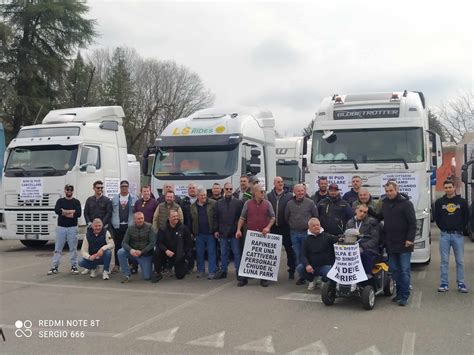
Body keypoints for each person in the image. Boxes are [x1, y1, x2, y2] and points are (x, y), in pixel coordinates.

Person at [381, 180, 416, 306]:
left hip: (405, 244)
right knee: (394, 271)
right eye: (387, 191)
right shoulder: (384, 204)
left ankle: (405, 296)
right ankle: (399, 294)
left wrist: (410, 239)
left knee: (404, 271)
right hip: (391, 244)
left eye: (391, 190)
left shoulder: (406, 204)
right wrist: (365, 211)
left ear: (397, 190)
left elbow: (413, 224)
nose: (389, 193)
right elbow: (379, 216)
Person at [236, 184, 275, 287]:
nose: (263, 193)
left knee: (264, 257)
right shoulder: (247, 204)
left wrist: (268, 227)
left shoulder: (268, 204)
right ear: (255, 193)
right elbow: (242, 218)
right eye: (261, 191)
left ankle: (264, 279)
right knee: (247, 256)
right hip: (250, 234)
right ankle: (244, 278)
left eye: (264, 191)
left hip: (263, 234)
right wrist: (238, 230)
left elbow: (272, 217)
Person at [434, 180, 470, 293]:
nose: (448, 189)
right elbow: (437, 218)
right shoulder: (439, 202)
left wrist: (460, 228)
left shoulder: (462, 202)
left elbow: (466, 217)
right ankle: (444, 283)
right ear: (444, 189)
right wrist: (443, 227)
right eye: (446, 187)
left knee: (459, 261)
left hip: (457, 235)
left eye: (450, 187)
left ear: (454, 188)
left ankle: (461, 283)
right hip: (444, 235)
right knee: (444, 261)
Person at [284, 184, 319, 285]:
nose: (300, 193)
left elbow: (315, 216)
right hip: (294, 233)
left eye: (302, 191)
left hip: (307, 233)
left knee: (308, 254)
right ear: (294, 192)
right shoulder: (289, 204)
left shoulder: (310, 203)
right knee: (298, 254)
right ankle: (302, 276)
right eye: (298, 191)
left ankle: (312, 275)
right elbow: (286, 217)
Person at [48, 184, 82, 275]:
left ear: (73, 191)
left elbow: (78, 213)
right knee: (58, 248)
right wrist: (71, 211)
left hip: (72, 228)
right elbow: (57, 211)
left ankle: (74, 266)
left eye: (71, 190)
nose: (69, 191)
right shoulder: (60, 201)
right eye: (67, 189)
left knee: (73, 248)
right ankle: (55, 266)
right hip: (61, 228)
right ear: (65, 190)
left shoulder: (76, 202)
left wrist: (64, 212)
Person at [297, 218, 339, 290]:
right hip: (312, 267)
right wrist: (307, 265)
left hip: (325, 266)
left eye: (318, 225)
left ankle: (324, 281)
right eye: (314, 226)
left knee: (329, 272)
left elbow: (338, 239)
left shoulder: (327, 236)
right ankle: (312, 280)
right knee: (300, 268)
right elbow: (303, 255)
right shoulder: (306, 240)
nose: (316, 227)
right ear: (309, 228)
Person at [152, 210, 193, 282]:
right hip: (166, 252)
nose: (176, 218)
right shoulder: (162, 228)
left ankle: (184, 265)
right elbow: (159, 243)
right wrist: (166, 250)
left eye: (177, 216)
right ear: (169, 218)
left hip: (178, 254)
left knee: (180, 276)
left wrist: (184, 254)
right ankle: (157, 272)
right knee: (157, 252)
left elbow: (188, 243)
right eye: (174, 216)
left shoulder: (183, 228)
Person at [267, 176, 296, 280]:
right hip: (274, 227)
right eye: (278, 182)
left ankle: (292, 270)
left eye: (282, 182)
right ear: (274, 184)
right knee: (272, 251)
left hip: (285, 227)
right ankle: (269, 272)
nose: (281, 183)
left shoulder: (289, 196)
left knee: (289, 249)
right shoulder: (269, 196)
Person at [214, 182, 244, 279]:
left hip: (234, 232)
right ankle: (223, 271)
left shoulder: (238, 203)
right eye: (227, 189)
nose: (229, 191)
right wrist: (216, 230)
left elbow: (241, 218)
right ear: (224, 189)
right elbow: (216, 218)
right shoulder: (218, 203)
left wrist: (238, 230)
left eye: (230, 189)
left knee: (236, 253)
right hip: (222, 232)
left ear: (233, 190)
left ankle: (239, 271)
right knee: (223, 253)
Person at [117, 212, 156, 283]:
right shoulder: (130, 228)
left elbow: (152, 243)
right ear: (134, 220)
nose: (140, 220)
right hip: (133, 253)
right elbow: (124, 243)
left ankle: (150, 268)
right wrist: (131, 250)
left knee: (147, 277)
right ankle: (127, 274)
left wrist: (142, 251)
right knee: (120, 252)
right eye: (138, 219)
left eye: (142, 218)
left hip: (145, 254)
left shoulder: (150, 227)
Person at [345, 204, 381, 273]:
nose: (362, 214)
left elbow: (375, 240)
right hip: (352, 248)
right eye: (360, 211)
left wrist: (362, 247)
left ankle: (366, 277)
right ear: (356, 210)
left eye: (365, 212)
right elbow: (346, 235)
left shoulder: (372, 222)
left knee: (364, 255)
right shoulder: (350, 222)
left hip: (369, 249)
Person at [111, 180, 137, 272]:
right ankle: (117, 265)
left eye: (126, 186)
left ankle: (130, 264)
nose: (124, 188)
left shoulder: (134, 198)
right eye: (122, 186)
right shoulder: (114, 199)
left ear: (128, 187)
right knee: (118, 245)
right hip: (118, 226)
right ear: (120, 187)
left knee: (130, 245)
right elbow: (112, 213)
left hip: (129, 226)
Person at [191, 188, 217, 279]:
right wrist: (192, 232)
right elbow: (192, 220)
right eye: (201, 195)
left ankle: (212, 271)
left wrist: (216, 230)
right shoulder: (193, 206)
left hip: (210, 233)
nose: (204, 197)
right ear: (197, 196)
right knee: (199, 253)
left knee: (211, 253)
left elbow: (216, 217)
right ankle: (201, 270)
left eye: (205, 195)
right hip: (199, 233)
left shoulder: (213, 203)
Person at [181, 183, 198, 273]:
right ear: (188, 190)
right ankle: (189, 267)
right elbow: (182, 217)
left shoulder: (201, 200)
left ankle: (200, 269)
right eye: (190, 188)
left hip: (199, 230)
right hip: (187, 230)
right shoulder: (183, 201)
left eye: (193, 188)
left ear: (197, 190)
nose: (192, 189)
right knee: (188, 250)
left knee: (200, 250)